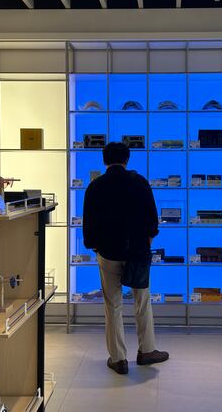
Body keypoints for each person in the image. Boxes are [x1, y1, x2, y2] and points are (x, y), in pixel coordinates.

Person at [83, 142, 169, 374]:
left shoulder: (95, 186)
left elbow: (89, 224)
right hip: (137, 252)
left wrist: (95, 247)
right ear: (127, 159)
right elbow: (152, 220)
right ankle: (147, 351)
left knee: (113, 305)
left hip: (108, 252)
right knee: (142, 301)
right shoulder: (139, 182)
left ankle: (118, 359)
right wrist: (146, 242)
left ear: (104, 160)